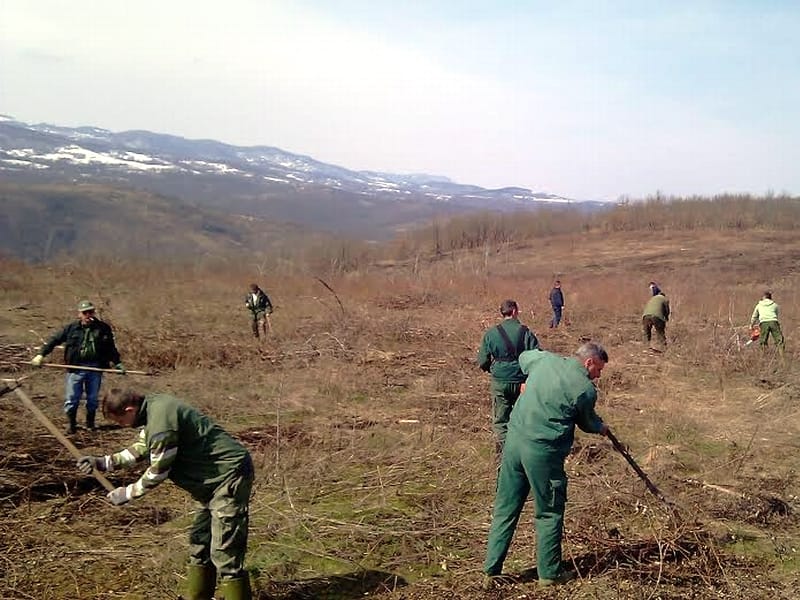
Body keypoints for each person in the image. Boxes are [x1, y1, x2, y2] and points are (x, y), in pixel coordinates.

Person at [77, 388, 254, 600]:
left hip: (228, 477)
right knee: (200, 542)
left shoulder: (161, 423)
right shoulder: (153, 409)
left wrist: (128, 493)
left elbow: (158, 471)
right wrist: (103, 462)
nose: (122, 425)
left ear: (130, 409)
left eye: (121, 420)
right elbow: (142, 447)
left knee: (225, 552)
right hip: (208, 484)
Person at [483, 342, 610, 590]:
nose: (598, 376)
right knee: (549, 511)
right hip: (543, 453)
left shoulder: (544, 360)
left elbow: (523, 357)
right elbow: (586, 422)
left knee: (505, 508)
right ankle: (549, 574)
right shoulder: (585, 390)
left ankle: (490, 571)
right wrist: (600, 427)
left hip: (514, 443)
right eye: (599, 370)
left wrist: (525, 383)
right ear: (589, 362)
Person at [30, 299, 124, 433]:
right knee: (72, 398)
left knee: (92, 398)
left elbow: (110, 348)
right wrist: (41, 355)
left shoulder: (103, 328)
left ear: (94, 312)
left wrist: (118, 362)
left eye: (90, 312)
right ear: (79, 314)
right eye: (85, 312)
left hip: (95, 368)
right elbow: (54, 340)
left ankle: (90, 424)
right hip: (75, 368)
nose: (88, 315)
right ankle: (71, 425)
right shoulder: (71, 328)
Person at [477, 300, 540, 458]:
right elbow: (537, 357)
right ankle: (524, 453)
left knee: (501, 420)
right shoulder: (525, 332)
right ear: (514, 312)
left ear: (503, 313)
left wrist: (491, 370)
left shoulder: (491, 333)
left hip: (500, 381)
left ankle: (503, 456)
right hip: (521, 382)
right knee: (522, 417)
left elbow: (482, 360)